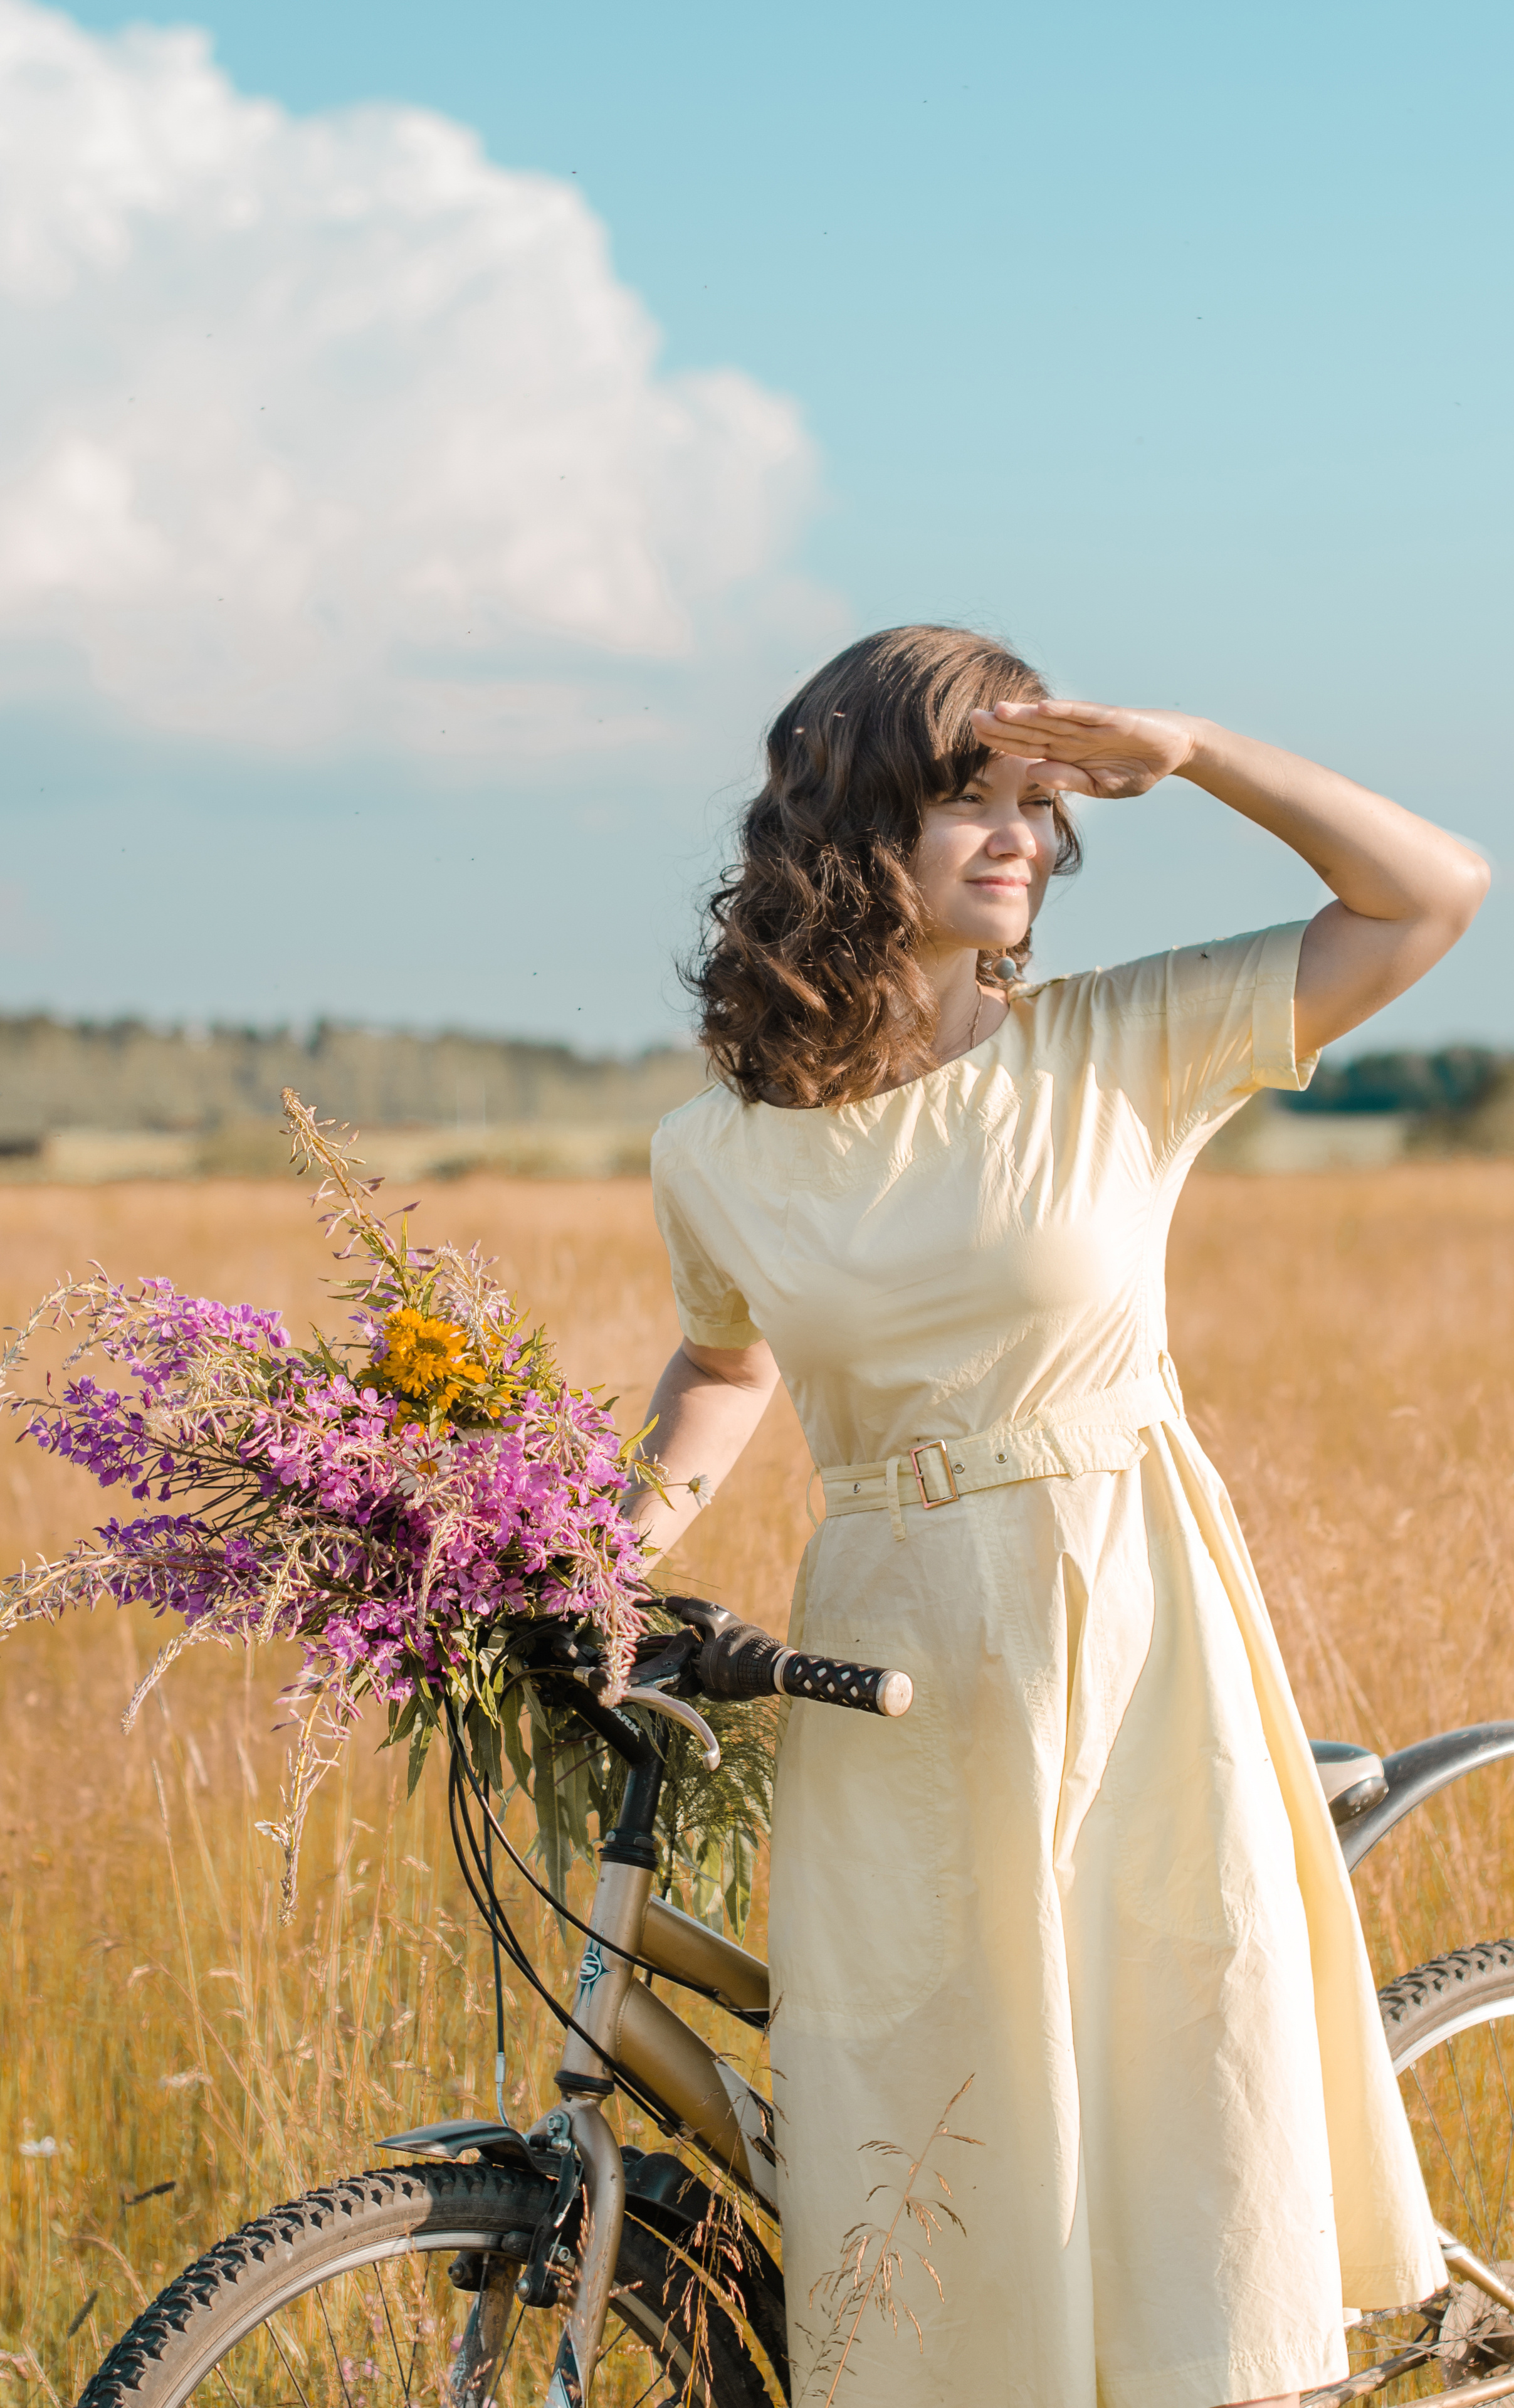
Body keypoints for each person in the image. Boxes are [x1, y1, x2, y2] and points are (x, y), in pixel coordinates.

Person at [625, 625, 1488, 2408]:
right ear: (851, 831)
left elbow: (1428, 895)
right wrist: (595, 1549)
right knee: (930, 2117)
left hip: (1129, 1621)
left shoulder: (1117, 1048)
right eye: (971, 799)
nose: (1024, 836)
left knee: (1176, 2114)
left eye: (1043, 803)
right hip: (889, 1656)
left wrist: (1196, 747)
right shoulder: (715, 1148)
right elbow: (725, 1370)